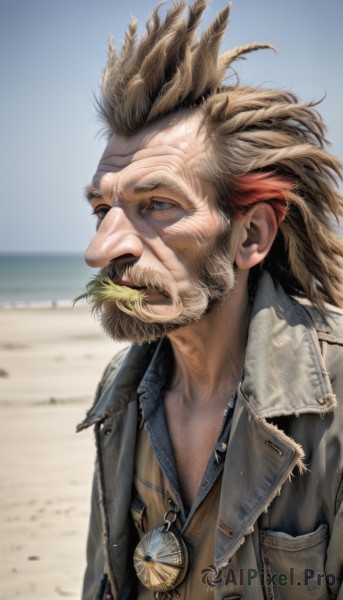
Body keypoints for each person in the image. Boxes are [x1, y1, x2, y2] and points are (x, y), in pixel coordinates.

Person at [76, 1, 343, 598]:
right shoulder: (119, 401)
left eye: (158, 205)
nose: (101, 250)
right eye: (102, 210)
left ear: (249, 235)